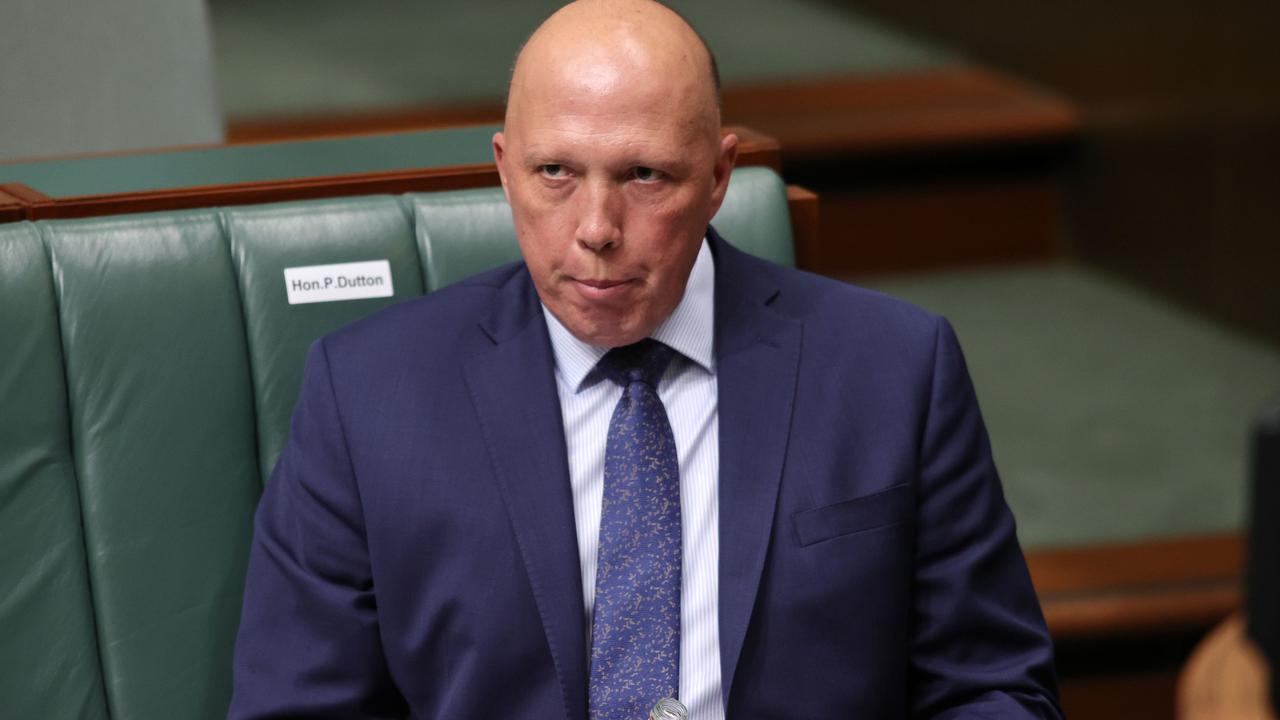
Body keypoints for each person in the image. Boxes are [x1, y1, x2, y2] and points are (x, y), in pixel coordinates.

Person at [229, 1, 1063, 717]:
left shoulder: (896, 371)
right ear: (503, 170)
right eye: (555, 171)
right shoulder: (367, 397)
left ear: (719, 175)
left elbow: (990, 686)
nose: (596, 226)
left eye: (645, 175)